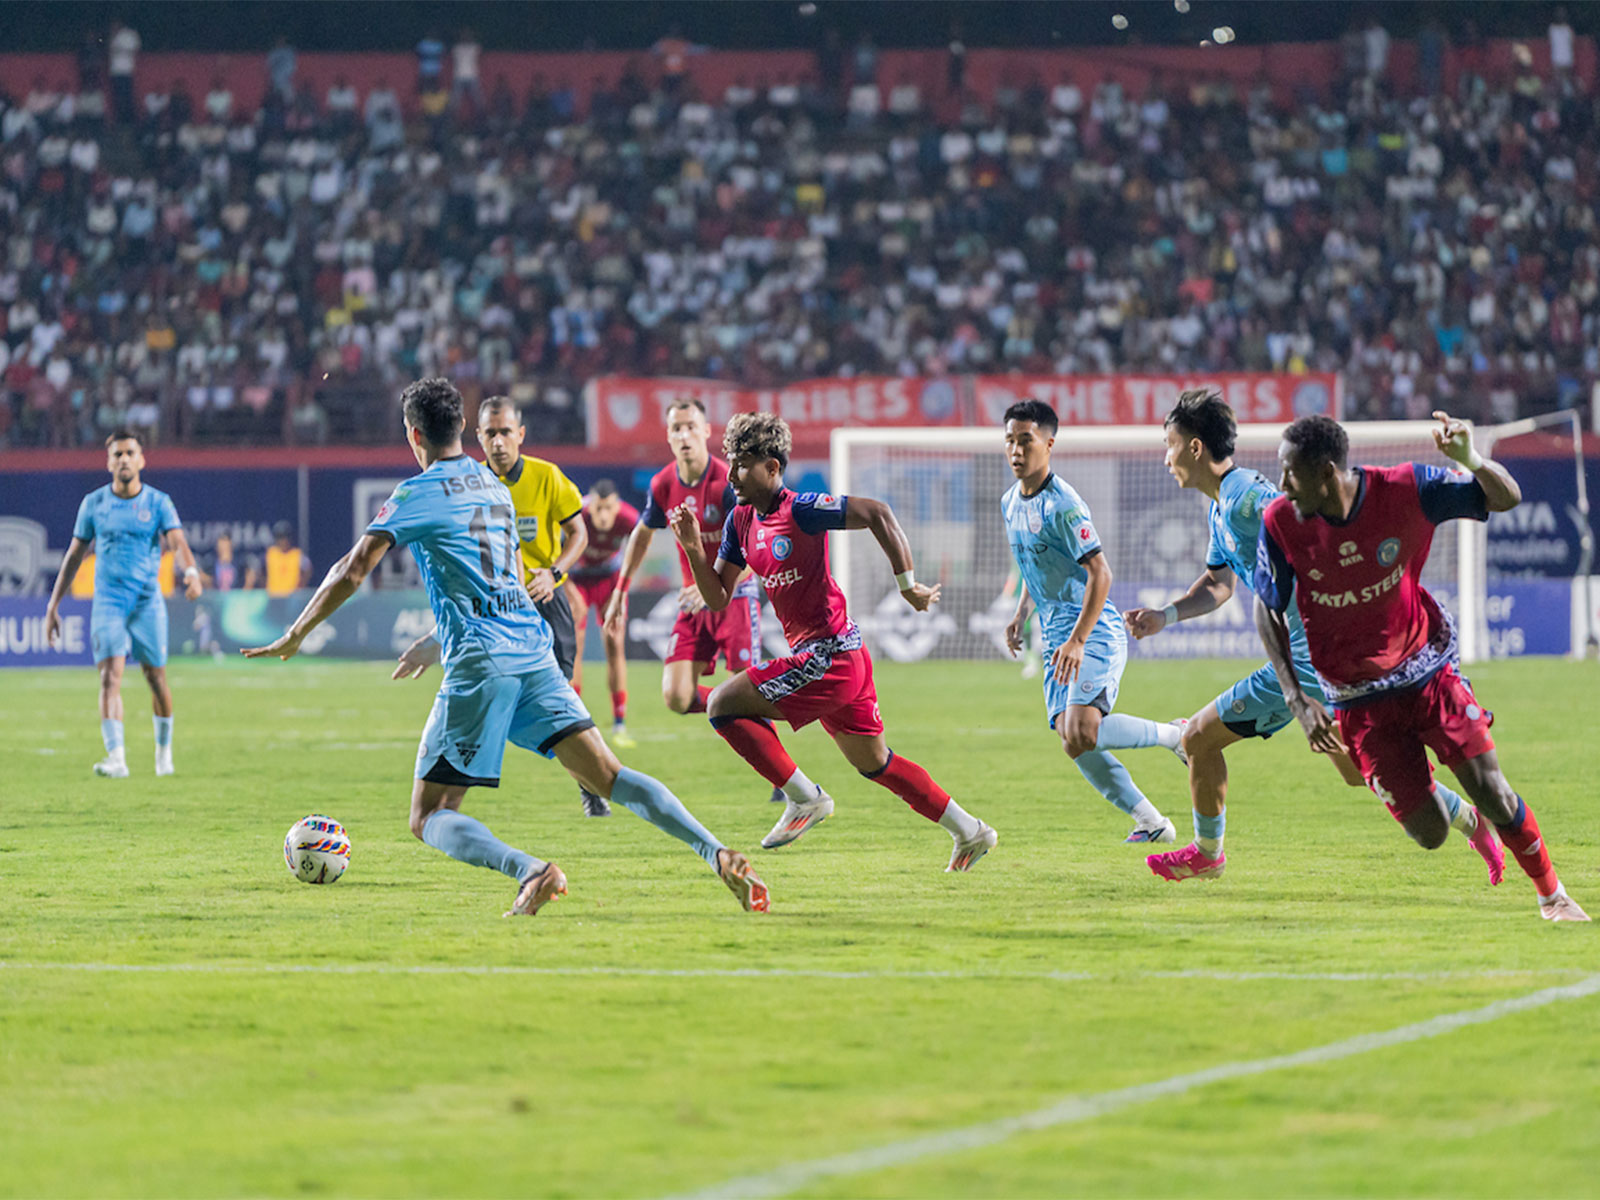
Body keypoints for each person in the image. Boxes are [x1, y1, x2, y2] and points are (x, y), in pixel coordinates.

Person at [244, 378, 768, 917]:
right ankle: (718, 852)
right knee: (609, 777)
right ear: (464, 430)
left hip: (482, 663)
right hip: (533, 653)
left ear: (414, 434)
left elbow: (352, 569)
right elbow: (508, 576)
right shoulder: (493, 487)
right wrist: (433, 641)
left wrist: (296, 633)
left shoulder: (416, 493)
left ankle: (532, 870)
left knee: (428, 815)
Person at [1125, 390, 1498, 884]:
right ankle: (1207, 853)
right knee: (1199, 738)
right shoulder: (1221, 509)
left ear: (1195, 448)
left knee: (1357, 769)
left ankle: (1475, 820)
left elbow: (1306, 519)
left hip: (1325, 662)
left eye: (1169, 444)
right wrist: (1165, 617)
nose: (1165, 457)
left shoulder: (1247, 499)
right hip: (1293, 666)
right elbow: (1218, 585)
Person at [1254, 412, 1587, 922]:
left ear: (1325, 472)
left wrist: (1471, 461)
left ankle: (1553, 895)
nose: (1281, 486)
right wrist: (1298, 699)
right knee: (1428, 834)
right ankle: (1446, 799)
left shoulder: (1407, 488)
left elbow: (1505, 498)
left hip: (1426, 671)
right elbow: (1266, 606)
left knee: (1492, 789)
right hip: (1356, 699)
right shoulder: (1279, 522)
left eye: (1290, 474)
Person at [673, 411, 997, 871]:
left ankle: (805, 798)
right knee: (876, 763)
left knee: (721, 703)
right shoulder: (739, 522)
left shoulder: (801, 509)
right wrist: (691, 548)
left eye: (742, 463)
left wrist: (906, 584)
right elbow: (719, 597)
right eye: (729, 462)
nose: (732, 475)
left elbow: (877, 513)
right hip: (840, 656)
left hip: (831, 657)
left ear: (772, 467)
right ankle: (971, 831)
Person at [1000, 400, 1186, 844]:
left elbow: (1101, 572)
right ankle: (1151, 822)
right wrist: (1022, 610)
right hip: (1056, 634)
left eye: (1026, 440)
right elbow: (1033, 563)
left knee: (1082, 728)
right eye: (1010, 440)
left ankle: (1175, 734)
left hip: (1093, 630)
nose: (1016, 450)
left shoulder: (1063, 505)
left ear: (1048, 443)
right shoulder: (1010, 502)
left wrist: (1079, 640)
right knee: (1073, 740)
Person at [602, 399, 768, 781]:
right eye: (676, 428)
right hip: (694, 601)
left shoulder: (729, 483)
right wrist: (620, 590)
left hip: (736, 597)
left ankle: (782, 780)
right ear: (668, 436)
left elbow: (755, 550)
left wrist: (716, 585)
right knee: (676, 697)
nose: (684, 435)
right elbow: (642, 535)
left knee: (749, 683)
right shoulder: (663, 484)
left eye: (691, 426)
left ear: (707, 431)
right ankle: (735, 703)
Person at [44, 429, 203, 777]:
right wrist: (53, 605)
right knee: (109, 678)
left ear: (142, 459)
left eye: (130, 452)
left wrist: (190, 572)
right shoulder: (94, 504)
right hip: (109, 602)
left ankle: (163, 754)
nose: (124, 459)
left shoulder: (159, 502)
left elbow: (177, 541)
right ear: (108, 462)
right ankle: (116, 758)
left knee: (156, 677)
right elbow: (74, 556)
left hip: (147, 601)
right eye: (117, 454)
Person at [566, 479, 639, 747]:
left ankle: (619, 722)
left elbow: (641, 547)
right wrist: (571, 593)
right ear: (590, 506)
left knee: (614, 643)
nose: (604, 515)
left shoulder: (630, 519)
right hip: (577, 579)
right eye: (599, 509)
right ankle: (573, 720)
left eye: (609, 508)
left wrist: (622, 588)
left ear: (617, 506)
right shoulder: (575, 513)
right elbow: (552, 553)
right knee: (575, 644)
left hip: (610, 580)